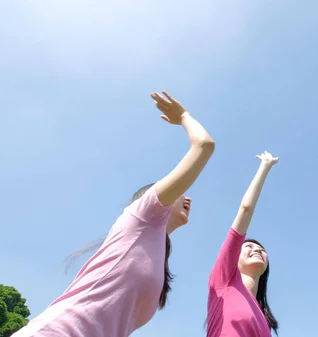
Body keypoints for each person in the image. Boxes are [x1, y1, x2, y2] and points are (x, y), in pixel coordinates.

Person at [14, 91, 215, 337]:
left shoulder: (156, 252)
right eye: (182, 192)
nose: (188, 196)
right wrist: (184, 116)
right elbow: (204, 145)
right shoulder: (142, 215)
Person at [206, 151, 279, 337]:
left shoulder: (265, 320)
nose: (257, 250)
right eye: (249, 247)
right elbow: (245, 209)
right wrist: (265, 166)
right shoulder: (225, 281)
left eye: (261, 250)